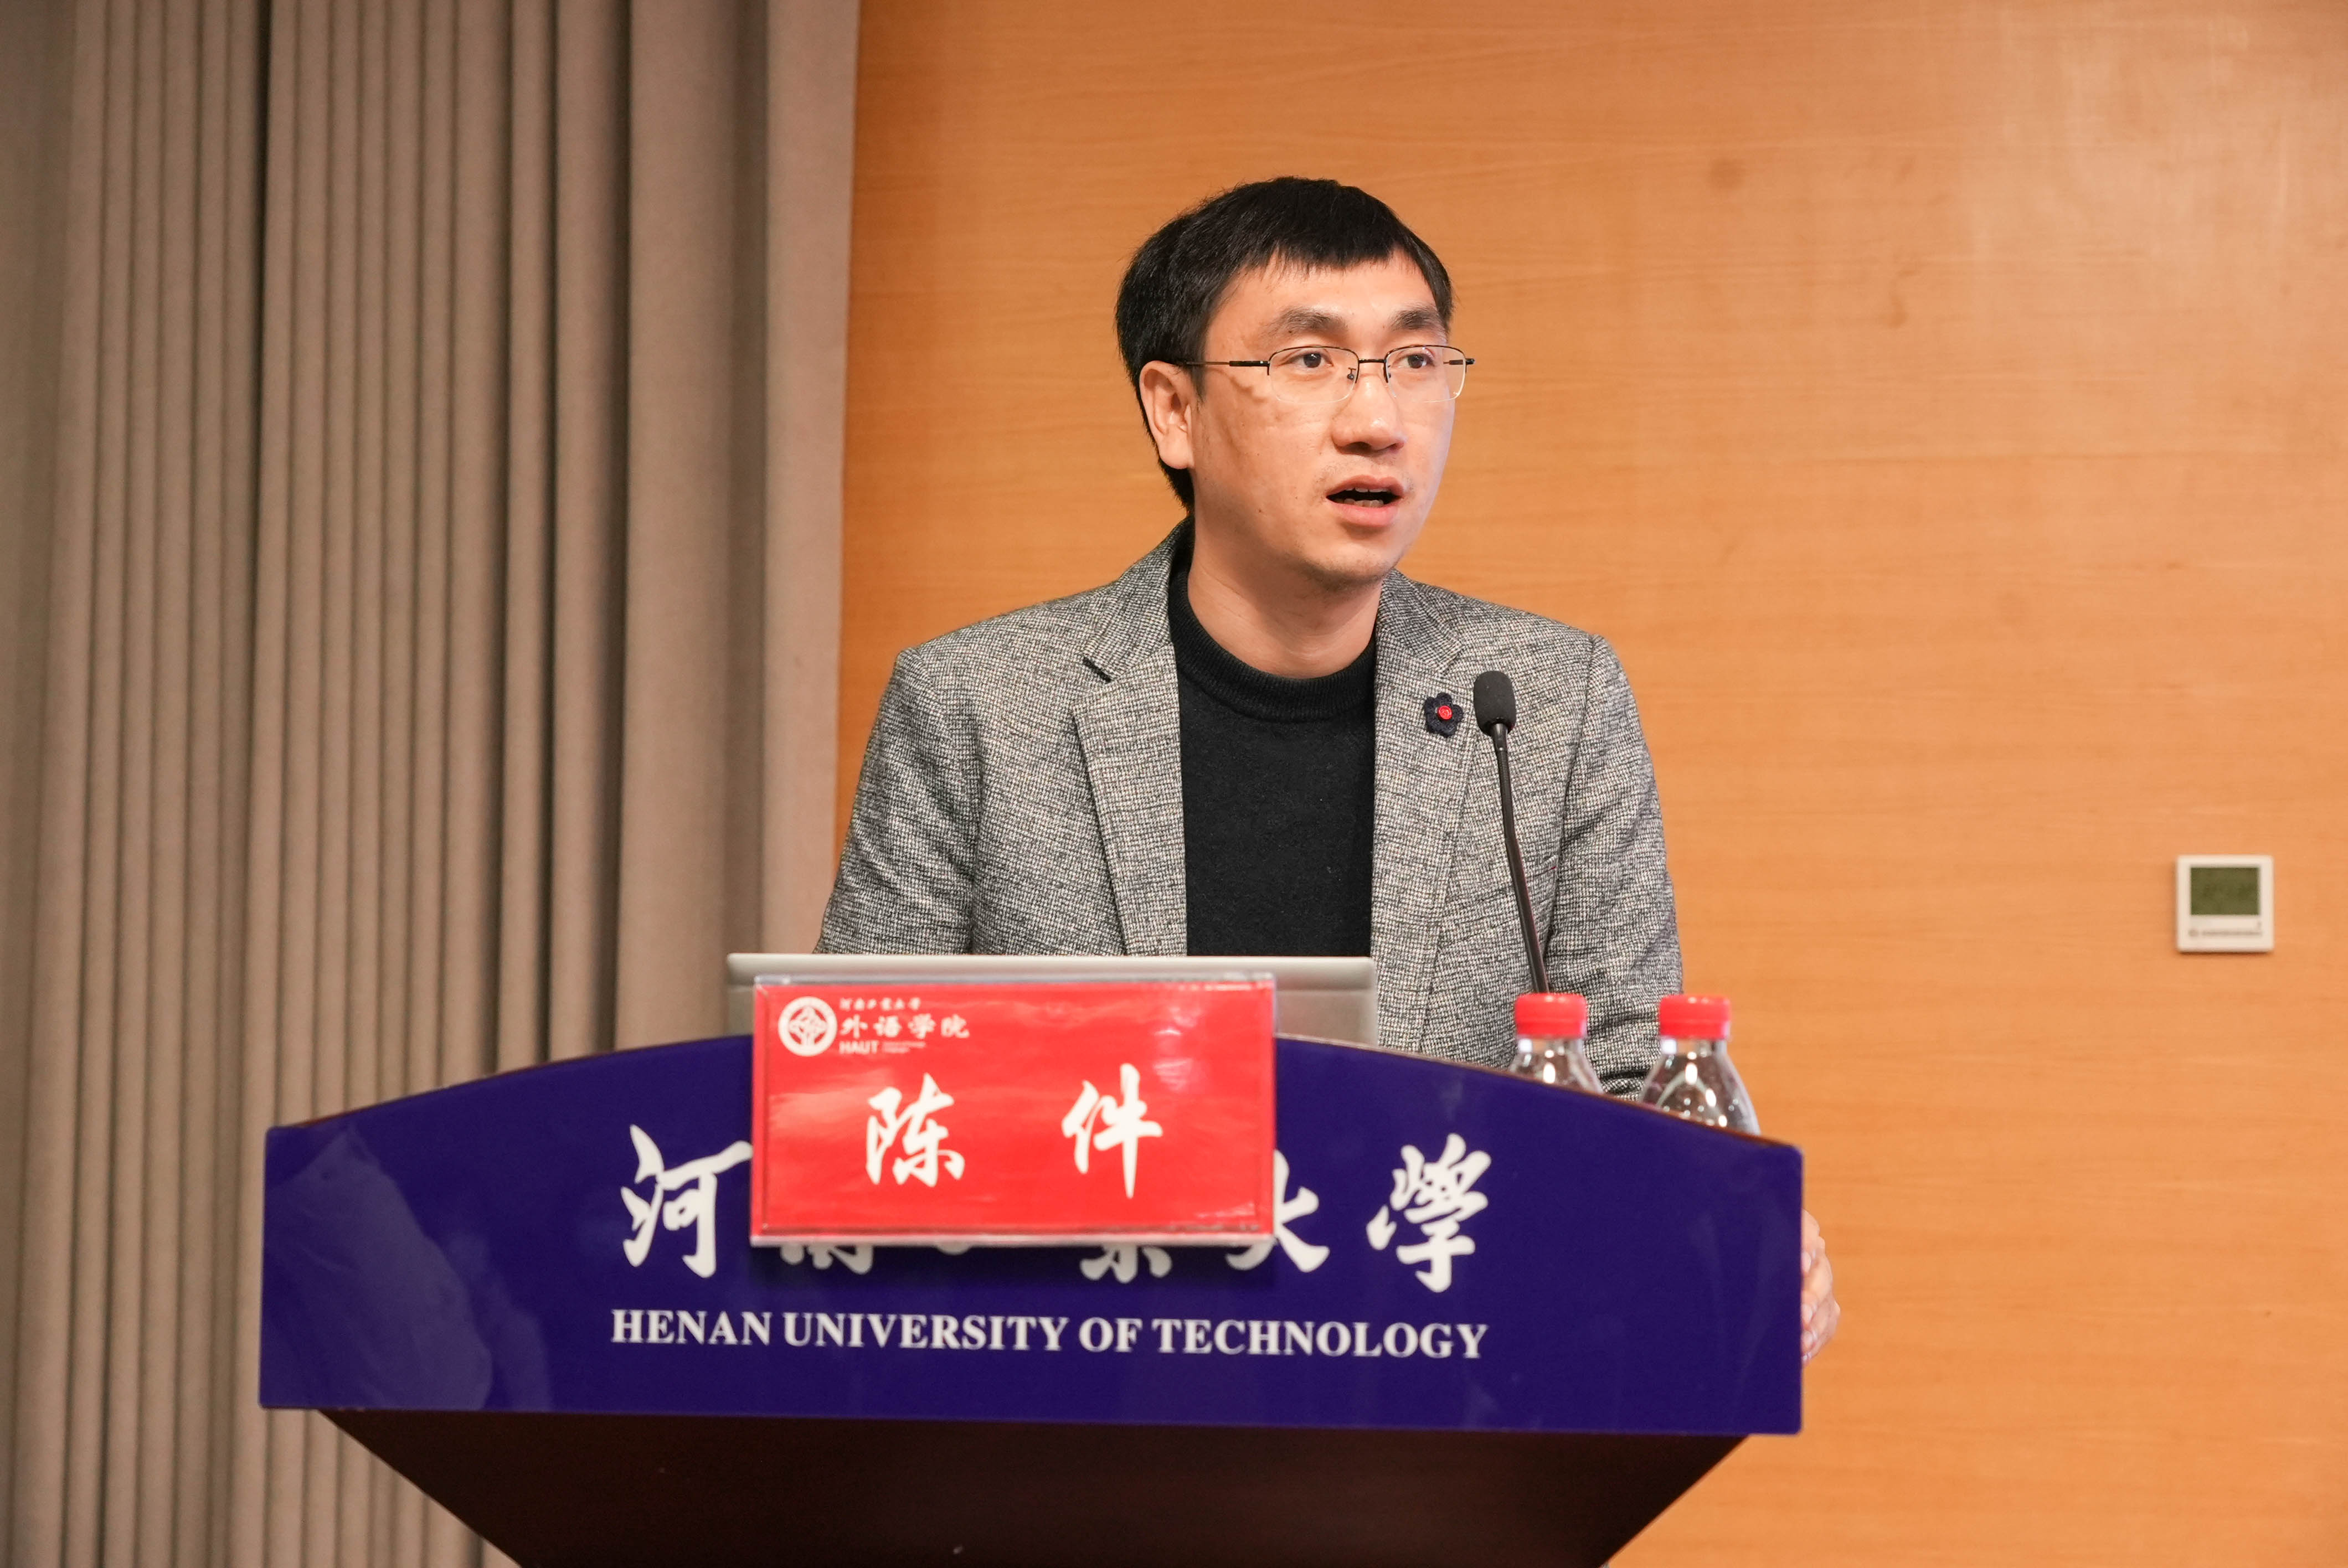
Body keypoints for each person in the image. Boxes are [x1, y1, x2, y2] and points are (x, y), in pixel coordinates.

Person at [819, 177, 1838, 1362]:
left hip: (1438, 1386)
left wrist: (1724, 1225)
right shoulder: (979, 706)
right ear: (1173, 411)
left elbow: (1631, 1071)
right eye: (1309, 363)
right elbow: (855, 1097)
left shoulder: (1547, 701)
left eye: (1415, 362)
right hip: (1076, 1378)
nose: (1378, 419)